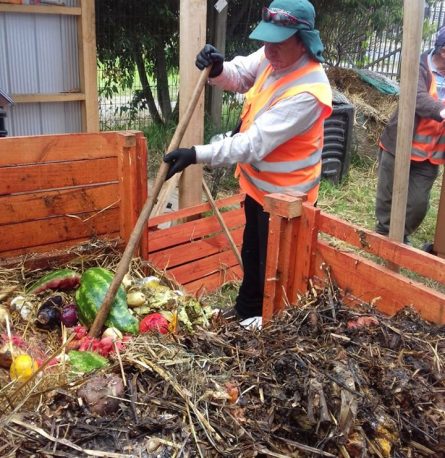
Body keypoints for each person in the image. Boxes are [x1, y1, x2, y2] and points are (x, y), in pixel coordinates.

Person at [164, 0, 332, 321]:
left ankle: (267, 327)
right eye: (266, 40)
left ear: (303, 41)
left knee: (274, 269)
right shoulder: (273, 57)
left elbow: (253, 144)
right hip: (259, 188)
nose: (268, 49)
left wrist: (196, 154)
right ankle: (245, 313)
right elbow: (240, 75)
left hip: (287, 200)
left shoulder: (308, 91)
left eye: (278, 42)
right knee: (252, 253)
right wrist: (217, 68)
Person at [375, 27, 445, 247]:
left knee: (418, 204)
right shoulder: (417, 66)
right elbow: (418, 98)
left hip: (429, 155)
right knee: (388, 196)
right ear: (443, 51)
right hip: (400, 146)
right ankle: (384, 235)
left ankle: (400, 235)